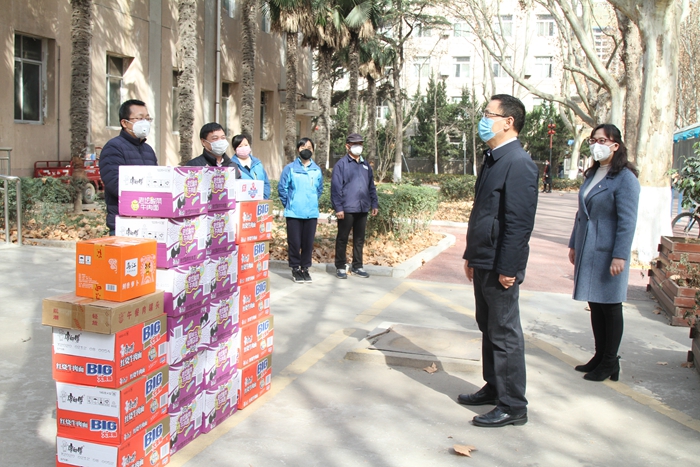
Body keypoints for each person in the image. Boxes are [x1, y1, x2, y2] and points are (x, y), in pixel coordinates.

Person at [458, 94, 538, 428]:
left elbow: (519, 224)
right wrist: (471, 254)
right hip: (483, 258)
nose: (483, 120)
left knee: (504, 333)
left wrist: (509, 268)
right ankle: (494, 386)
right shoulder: (493, 159)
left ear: (508, 122)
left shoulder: (518, 163)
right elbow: (483, 213)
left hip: (500, 264)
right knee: (488, 326)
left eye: (489, 114)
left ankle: (513, 404)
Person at [568, 124, 640, 382]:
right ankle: (600, 355)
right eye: (593, 140)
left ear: (615, 145)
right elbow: (581, 213)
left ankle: (610, 360)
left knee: (610, 305)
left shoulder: (625, 178)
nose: (596, 145)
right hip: (588, 246)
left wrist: (620, 255)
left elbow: (627, 221)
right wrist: (574, 243)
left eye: (602, 140)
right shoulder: (592, 174)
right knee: (595, 303)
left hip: (608, 250)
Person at [99, 99, 158, 235]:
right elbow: (115, 184)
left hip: (149, 223)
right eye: (140, 118)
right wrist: (146, 195)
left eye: (147, 118)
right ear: (124, 123)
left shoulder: (148, 150)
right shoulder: (113, 147)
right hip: (124, 225)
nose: (145, 122)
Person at [330, 133, 379, 279]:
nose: (359, 146)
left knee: (359, 239)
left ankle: (357, 266)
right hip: (347, 208)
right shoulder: (341, 165)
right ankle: (340, 266)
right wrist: (338, 208)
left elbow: (371, 186)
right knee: (342, 238)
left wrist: (374, 203)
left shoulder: (365, 165)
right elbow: (336, 188)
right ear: (348, 146)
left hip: (363, 208)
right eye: (355, 144)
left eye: (360, 144)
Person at [278, 138, 324, 283]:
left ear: (313, 150)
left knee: (308, 243)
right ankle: (295, 268)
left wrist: (312, 202)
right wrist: (289, 204)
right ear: (298, 149)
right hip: (294, 213)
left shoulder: (316, 170)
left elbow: (319, 189)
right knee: (295, 243)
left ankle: (305, 268)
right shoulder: (290, 168)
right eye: (303, 147)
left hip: (311, 213)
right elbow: (282, 189)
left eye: (309, 147)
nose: (306, 150)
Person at [230, 134, 270, 199]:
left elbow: (265, 183)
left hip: (260, 201)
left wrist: (264, 197)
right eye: (240, 146)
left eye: (246, 145)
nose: (244, 148)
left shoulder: (257, 164)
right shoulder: (231, 166)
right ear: (234, 149)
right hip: (242, 202)